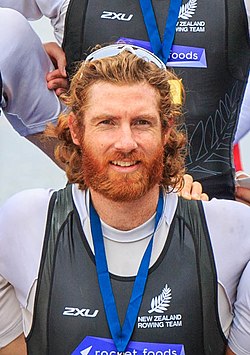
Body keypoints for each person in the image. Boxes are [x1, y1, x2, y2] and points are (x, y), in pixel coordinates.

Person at [0, 44, 249, 355]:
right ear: (76, 129)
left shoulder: (231, 234)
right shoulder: (23, 224)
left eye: (142, 122)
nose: (126, 142)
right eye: (107, 122)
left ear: (166, 129)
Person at [0, 0, 250, 199]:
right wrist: (35, 57)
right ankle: (103, 191)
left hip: (206, 192)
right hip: (96, 167)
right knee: (5, 33)